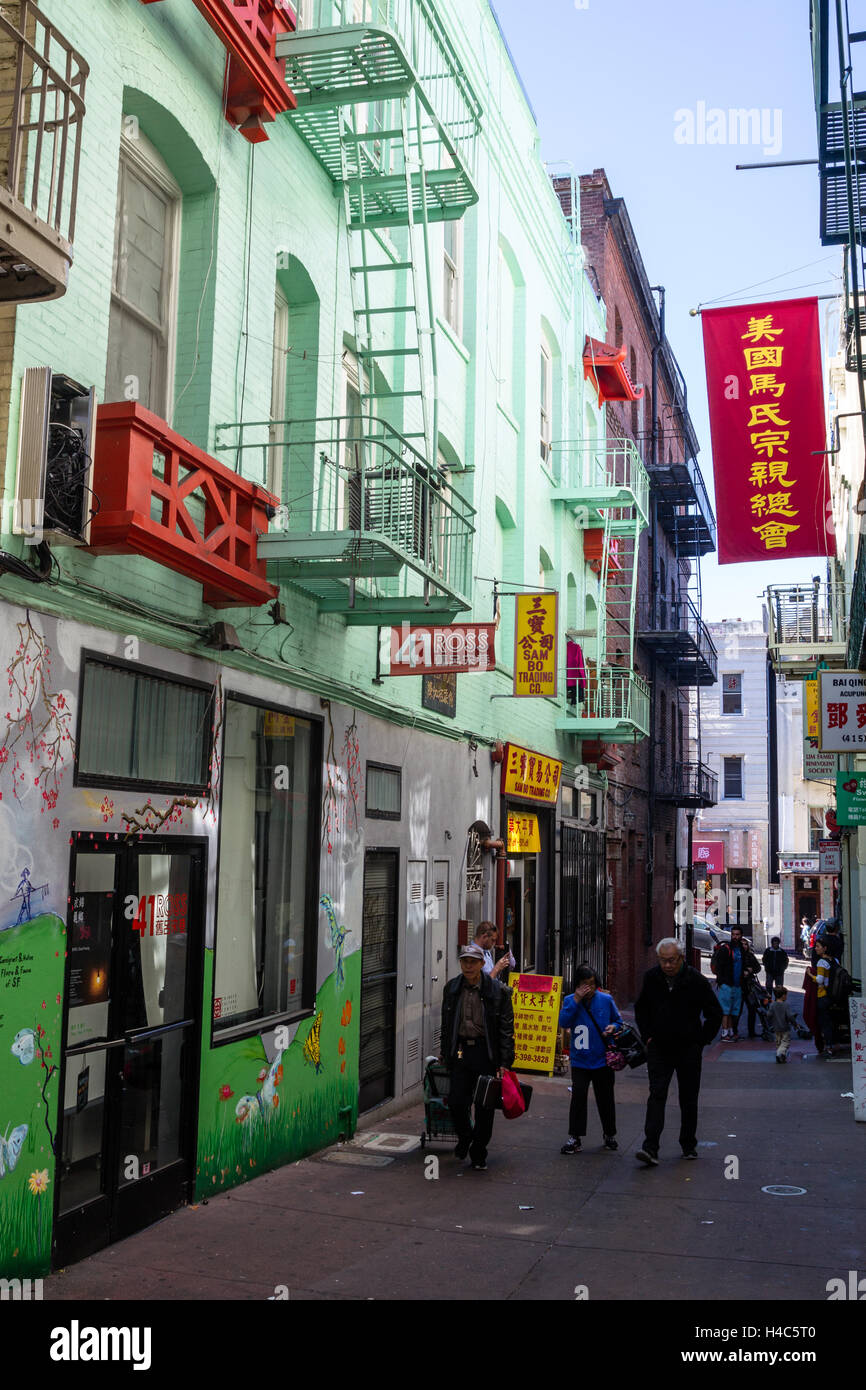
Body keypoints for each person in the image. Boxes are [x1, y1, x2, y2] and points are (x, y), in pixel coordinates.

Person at [634, 937, 722, 1165]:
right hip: (659, 1048)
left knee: (688, 1098)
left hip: (688, 1049)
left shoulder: (696, 980)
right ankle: (650, 1147)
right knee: (657, 1095)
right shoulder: (652, 978)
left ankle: (688, 1144)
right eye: (663, 961)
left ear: (681, 958)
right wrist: (647, 1036)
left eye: (672, 960)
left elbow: (714, 1012)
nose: (667, 965)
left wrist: (702, 1040)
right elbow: (641, 1009)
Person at [440, 943, 515, 1170]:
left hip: (486, 1053)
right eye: (465, 961)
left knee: (484, 1107)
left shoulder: (497, 991)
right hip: (461, 1051)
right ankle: (465, 1137)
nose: (468, 966)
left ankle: (479, 1151)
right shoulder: (452, 988)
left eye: (473, 962)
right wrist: (446, 1052)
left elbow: (506, 1029)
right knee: (456, 1101)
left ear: (483, 964)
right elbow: (447, 1025)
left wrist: (504, 1062)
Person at [557, 965, 623, 1154]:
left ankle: (609, 1134)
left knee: (606, 1097)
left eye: (592, 984)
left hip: (602, 1059)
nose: (589, 989)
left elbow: (618, 1021)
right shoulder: (571, 1001)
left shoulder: (605, 1000)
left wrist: (613, 1028)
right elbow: (563, 1021)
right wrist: (576, 1000)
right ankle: (575, 1137)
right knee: (578, 1096)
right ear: (577, 985)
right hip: (580, 1060)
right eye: (585, 985)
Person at [712, 924, 760, 1040]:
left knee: (734, 1011)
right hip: (727, 985)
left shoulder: (742, 951)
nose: (735, 937)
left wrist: (747, 970)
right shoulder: (725, 949)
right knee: (725, 1011)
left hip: (738, 985)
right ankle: (725, 1033)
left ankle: (731, 1032)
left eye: (737, 935)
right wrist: (722, 982)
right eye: (733, 934)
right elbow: (718, 967)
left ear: (741, 935)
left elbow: (748, 965)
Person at [806, 939, 836, 1058]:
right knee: (830, 1021)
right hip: (832, 995)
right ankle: (830, 1044)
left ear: (825, 948)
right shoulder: (834, 960)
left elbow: (819, 980)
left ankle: (828, 1046)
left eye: (818, 946)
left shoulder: (821, 963)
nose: (816, 948)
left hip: (822, 995)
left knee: (824, 1022)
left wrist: (809, 974)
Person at [770, 987, 799, 1064]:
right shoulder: (785, 1005)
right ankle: (780, 1054)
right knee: (785, 1042)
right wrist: (795, 1024)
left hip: (776, 1027)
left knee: (778, 1042)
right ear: (783, 996)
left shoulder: (772, 1005)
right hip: (785, 1027)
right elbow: (789, 1016)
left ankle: (780, 1055)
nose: (786, 997)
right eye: (786, 995)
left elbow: (769, 1015)